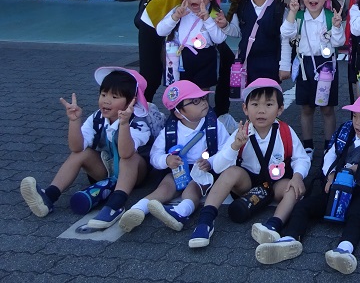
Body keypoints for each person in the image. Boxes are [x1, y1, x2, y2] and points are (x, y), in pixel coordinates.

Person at [253, 91, 360, 274]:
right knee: (304, 206)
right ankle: (290, 239)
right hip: (335, 186)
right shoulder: (346, 131)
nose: (357, 123)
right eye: (355, 116)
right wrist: (330, 175)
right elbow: (330, 154)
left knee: (358, 215)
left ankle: (345, 249)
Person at [20, 67, 151, 230]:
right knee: (81, 153)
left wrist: (124, 124)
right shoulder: (97, 118)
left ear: (131, 100)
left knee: (129, 157)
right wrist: (74, 121)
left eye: (114, 97)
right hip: (107, 169)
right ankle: (48, 197)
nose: (106, 101)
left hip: (135, 174)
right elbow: (76, 147)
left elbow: (126, 152)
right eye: (103, 94)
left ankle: (116, 205)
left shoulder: (139, 122)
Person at [187, 79, 309, 249]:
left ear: (280, 109)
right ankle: (205, 222)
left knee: (293, 188)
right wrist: (235, 146)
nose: (261, 110)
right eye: (255, 104)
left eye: (269, 104)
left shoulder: (286, 131)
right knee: (230, 172)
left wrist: (297, 176)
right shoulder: (241, 133)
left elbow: (301, 158)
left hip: (276, 183)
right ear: (245, 108)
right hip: (247, 183)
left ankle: (273, 225)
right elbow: (219, 166)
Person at [122, 80, 231, 233]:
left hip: (204, 170)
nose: (203, 103)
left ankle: (181, 213)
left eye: (203, 98)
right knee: (165, 186)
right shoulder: (169, 131)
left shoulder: (214, 125)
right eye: (195, 101)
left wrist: (211, 162)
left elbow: (226, 149)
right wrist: (166, 160)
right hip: (178, 170)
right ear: (179, 113)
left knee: (193, 189)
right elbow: (155, 155)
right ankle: (138, 209)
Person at [280, 0, 345, 155]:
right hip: (305, 66)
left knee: (327, 108)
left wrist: (337, 27)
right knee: (306, 107)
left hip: (327, 66)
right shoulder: (299, 17)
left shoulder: (330, 17)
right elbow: (286, 33)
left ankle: (329, 145)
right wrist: (292, 12)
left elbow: (339, 42)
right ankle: (308, 144)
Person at [155, 0, 229, 90]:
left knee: (202, 93)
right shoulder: (178, 11)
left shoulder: (214, 14)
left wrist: (207, 19)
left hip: (205, 57)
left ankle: (202, 104)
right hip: (180, 56)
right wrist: (175, 17)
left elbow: (219, 39)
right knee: (181, 92)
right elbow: (160, 31)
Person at [223, 0, 287, 85]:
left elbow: (286, 38)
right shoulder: (241, 7)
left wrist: (285, 65)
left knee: (269, 96)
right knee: (248, 96)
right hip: (246, 64)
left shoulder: (280, 8)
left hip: (271, 64)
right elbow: (237, 32)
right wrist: (225, 26)